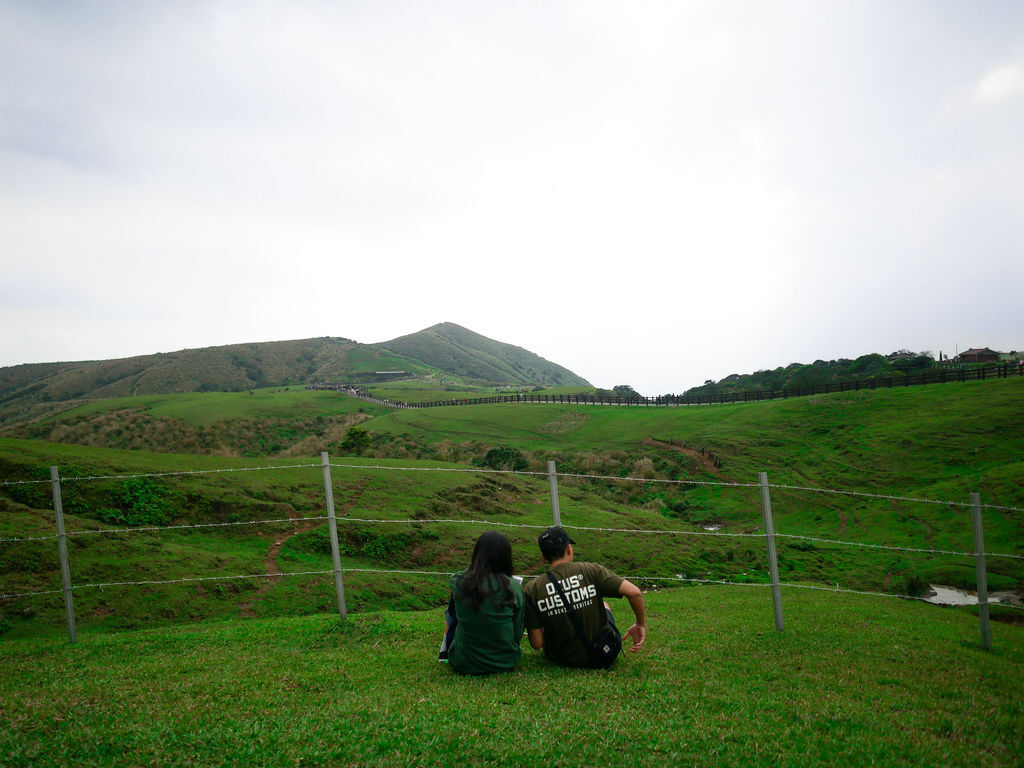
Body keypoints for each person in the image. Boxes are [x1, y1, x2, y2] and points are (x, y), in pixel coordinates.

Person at [523, 526, 646, 668]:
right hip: (603, 652)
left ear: (543, 557)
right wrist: (640, 624)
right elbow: (634, 592)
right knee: (605, 605)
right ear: (569, 549)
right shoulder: (590, 570)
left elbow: (537, 643)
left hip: (561, 659)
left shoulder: (532, 589)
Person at [439, 531, 525, 675]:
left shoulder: (458, 581)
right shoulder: (514, 588)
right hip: (505, 662)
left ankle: (444, 650)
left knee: (454, 608)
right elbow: (517, 632)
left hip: (463, 662)